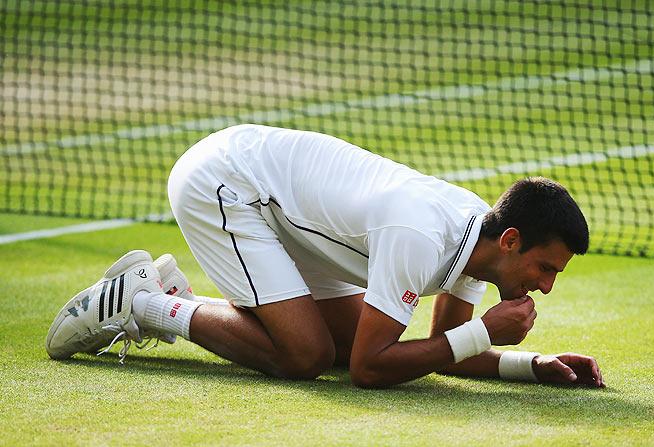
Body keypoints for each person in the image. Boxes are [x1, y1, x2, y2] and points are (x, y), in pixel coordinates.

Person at [46, 124, 604, 388]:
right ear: (511, 242)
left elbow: (440, 351)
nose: (547, 285)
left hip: (287, 211)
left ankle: (168, 297)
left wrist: (530, 366)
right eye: (546, 267)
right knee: (306, 356)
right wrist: (484, 333)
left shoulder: (478, 241)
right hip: (227, 185)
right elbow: (371, 370)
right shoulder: (422, 237)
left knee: (339, 345)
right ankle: (146, 301)